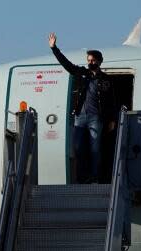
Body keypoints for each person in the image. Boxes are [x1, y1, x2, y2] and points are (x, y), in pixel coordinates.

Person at [48, 32, 116, 183]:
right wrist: (54, 48)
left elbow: (112, 100)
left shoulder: (106, 79)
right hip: (80, 116)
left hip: (95, 117)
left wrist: (112, 119)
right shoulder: (81, 73)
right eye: (89, 60)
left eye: (93, 60)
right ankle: (81, 178)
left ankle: (95, 177)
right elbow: (66, 64)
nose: (90, 62)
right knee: (78, 148)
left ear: (99, 62)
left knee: (95, 149)